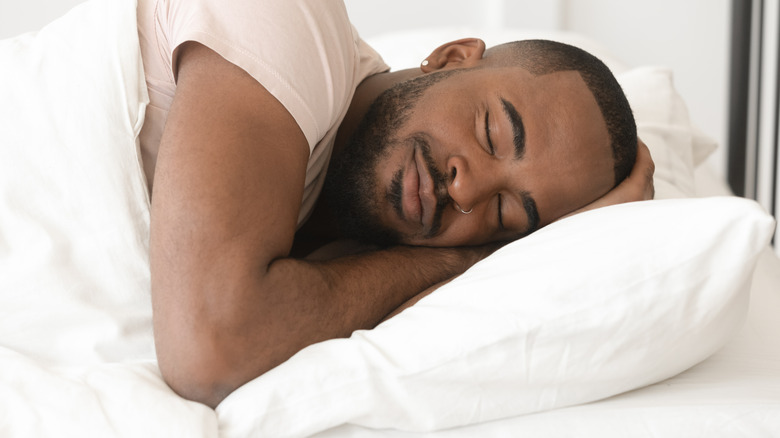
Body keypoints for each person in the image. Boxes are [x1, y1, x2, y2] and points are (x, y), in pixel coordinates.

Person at [137, 0, 654, 408]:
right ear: (450, 59)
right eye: (492, 133)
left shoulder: (363, 256)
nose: (467, 191)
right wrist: (467, 258)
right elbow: (213, 352)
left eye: (505, 214)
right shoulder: (286, 20)